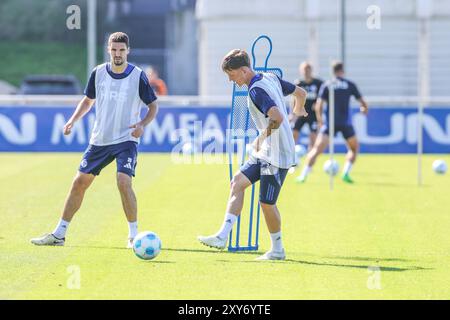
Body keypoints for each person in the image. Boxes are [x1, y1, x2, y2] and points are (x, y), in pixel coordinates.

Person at [30, 32, 158, 248]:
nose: (117, 54)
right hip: (100, 140)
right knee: (79, 182)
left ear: (128, 51)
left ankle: (133, 236)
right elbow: (88, 100)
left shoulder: (138, 76)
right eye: (114, 50)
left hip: (126, 139)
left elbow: (153, 106)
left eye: (121, 50)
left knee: (123, 181)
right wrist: (72, 120)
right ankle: (59, 233)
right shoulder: (98, 73)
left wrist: (141, 125)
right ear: (109, 50)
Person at [198, 49, 307, 260]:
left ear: (244, 70)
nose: (231, 80)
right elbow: (300, 93)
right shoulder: (270, 77)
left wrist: (259, 139)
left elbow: (276, 118)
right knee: (237, 182)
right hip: (267, 151)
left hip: (277, 154)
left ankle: (277, 250)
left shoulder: (256, 91)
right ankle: (222, 236)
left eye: (231, 74)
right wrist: (298, 109)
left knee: (267, 203)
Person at [296, 61, 368, 184]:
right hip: (346, 123)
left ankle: (303, 175)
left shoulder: (327, 85)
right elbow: (363, 103)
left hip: (330, 124)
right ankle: (345, 173)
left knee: (316, 150)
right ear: (342, 71)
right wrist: (364, 109)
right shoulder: (349, 84)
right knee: (354, 148)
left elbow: (319, 105)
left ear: (333, 72)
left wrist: (320, 121)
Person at [290, 62, 323, 150]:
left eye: (308, 69)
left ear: (311, 70)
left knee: (313, 136)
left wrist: (318, 105)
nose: (306, 72)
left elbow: (323, 97)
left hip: (313, 114)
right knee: (294, 133)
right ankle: (292, 155)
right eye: (304, 70)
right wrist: (292, 114)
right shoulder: (299, 83)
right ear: (301, 71)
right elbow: (294, 99)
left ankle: (310, 155)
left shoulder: (318, 83)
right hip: (300, 112)